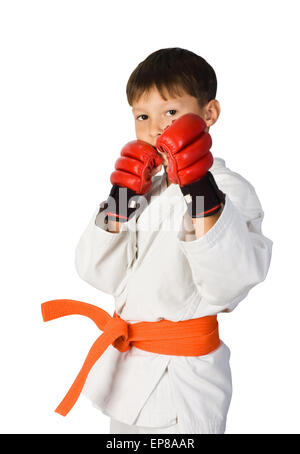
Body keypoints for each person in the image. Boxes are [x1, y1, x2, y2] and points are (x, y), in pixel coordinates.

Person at [42, 47, 273, 434]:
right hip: (132, 372)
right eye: (142, 116)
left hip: (182, 383)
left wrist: (200, 188)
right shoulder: (143, 189)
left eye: (171, 112)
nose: (155, 128)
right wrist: (119, 202)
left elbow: (230, 283)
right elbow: (97, 272)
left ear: (209, 114)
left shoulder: (231, 189)